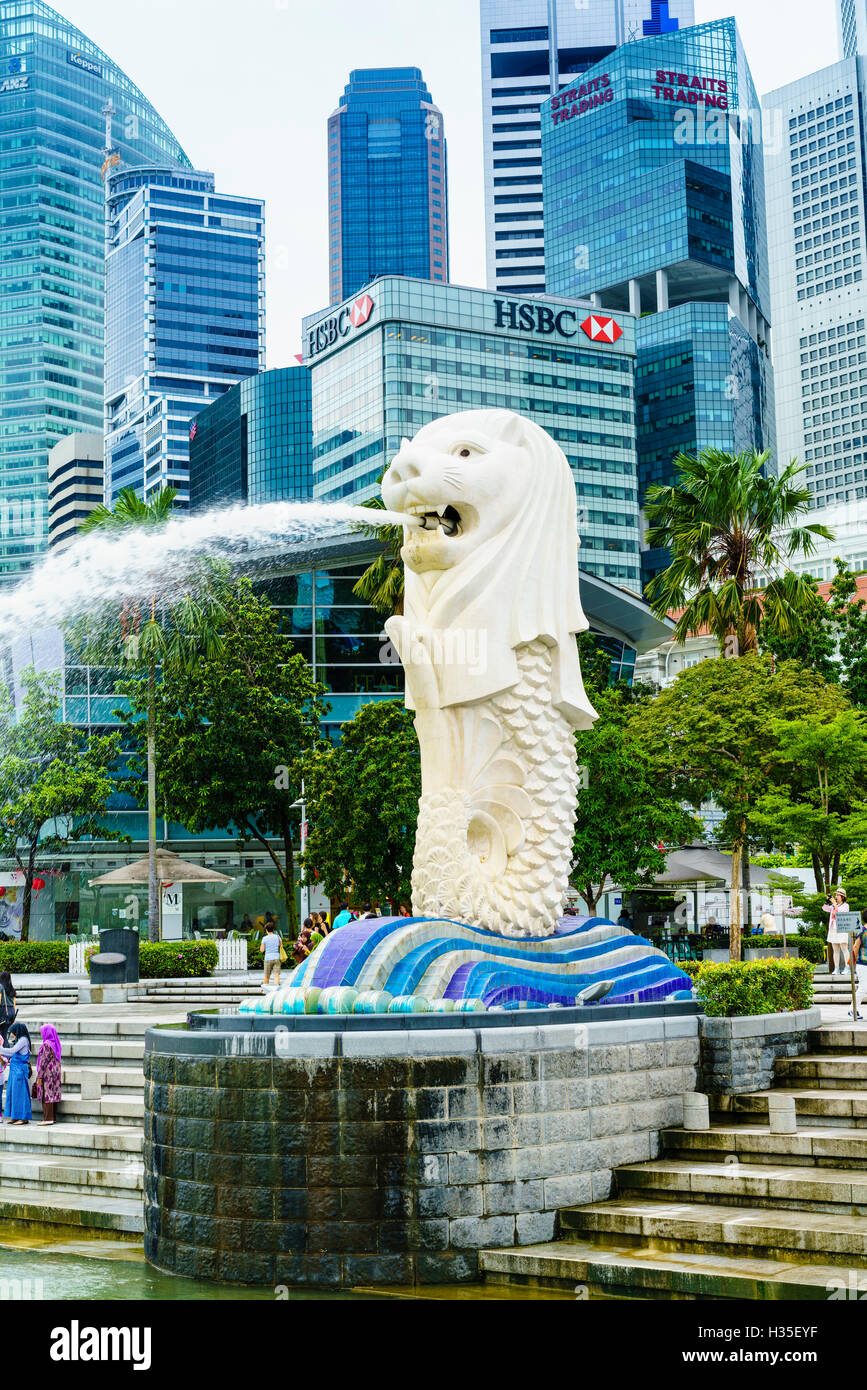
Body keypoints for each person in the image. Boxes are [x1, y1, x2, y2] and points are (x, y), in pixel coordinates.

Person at [0, 1022, 32, 1124]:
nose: (11, 1034)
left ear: (17, 1031)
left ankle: (23, 1118)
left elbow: (11, 1051)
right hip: (15, 1071)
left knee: (21, 1094)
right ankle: (15, 1116)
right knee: (13, 1094)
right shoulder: (20, 1039)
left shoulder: (23, 1040)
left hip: (19, 1071)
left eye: (12, 1032)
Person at [34, 1025, 61, 1125]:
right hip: (55, 1072)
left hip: (47, 1072)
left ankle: (47, 1118)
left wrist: (39, 1076)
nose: (41, 1034)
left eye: (42, 1031)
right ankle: (52, 1117)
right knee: (53, 1093)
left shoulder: (46, 1044)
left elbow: (43, 1061)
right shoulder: (56, 1043)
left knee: (46, 1093)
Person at [824, 888, 850, 975]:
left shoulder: (846, 905)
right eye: (835, 895)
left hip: (842, 928)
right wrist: (827, 901)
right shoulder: (833, 906)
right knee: (835, 949)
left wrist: (834, 904)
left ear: (842, 897)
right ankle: (837, 968)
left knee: (844, 948)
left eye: (838, 895)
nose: (836, 896)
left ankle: (847, 967)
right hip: (833, 928)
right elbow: (824, 908)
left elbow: (840, 914)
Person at [259, 920, 284, 988]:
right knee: (276, 976)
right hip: (277, 958)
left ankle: (266, 993)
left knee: (267, 976)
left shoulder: (264, 938)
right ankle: (276, 992)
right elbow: (281, 946)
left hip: (268, 959)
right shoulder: (278, 937)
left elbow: (262, 950)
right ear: (273, 929)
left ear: (266, 930)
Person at [0, 971, 16, 1045]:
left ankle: (4, 1054)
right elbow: (14, 1004)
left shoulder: (0, 987)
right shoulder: (12, 989)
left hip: (3, 1012)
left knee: (2, 1036)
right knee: (4, 1035)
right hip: (11, 1013)